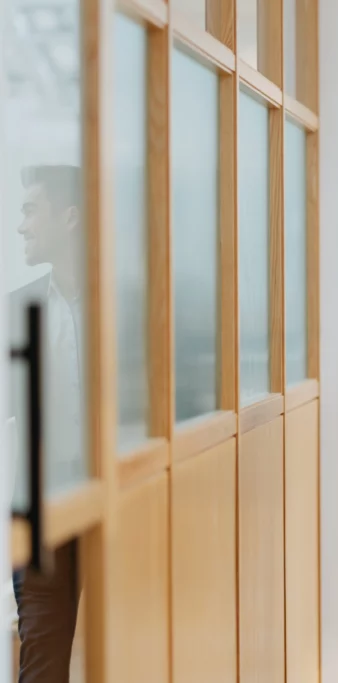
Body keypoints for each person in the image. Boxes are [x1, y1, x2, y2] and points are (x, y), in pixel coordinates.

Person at [7, 164, 86, 683]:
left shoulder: (132, 304)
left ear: (71, 217)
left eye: (32, 210)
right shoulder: (18, 306)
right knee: (41, 649)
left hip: (129, 495)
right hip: (43, 500)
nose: (21, 225)